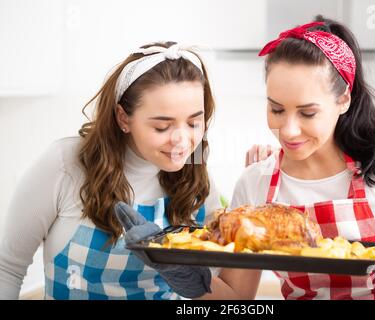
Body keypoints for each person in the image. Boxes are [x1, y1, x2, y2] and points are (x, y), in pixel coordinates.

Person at [0, 42, 257, 300]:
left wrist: (189, 277)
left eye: (194, 122)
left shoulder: (195, 176)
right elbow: (7, 268)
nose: (182, 140)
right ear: (123, 118)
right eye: (161, 127)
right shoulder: (66, 163)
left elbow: (232, 298)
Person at [227, 16, 375, 300]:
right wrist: (188, 279)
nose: (289, 130)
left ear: (344, 99)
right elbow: (234, 298)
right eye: (276, 110)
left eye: (308, 113)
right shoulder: (256, 180)